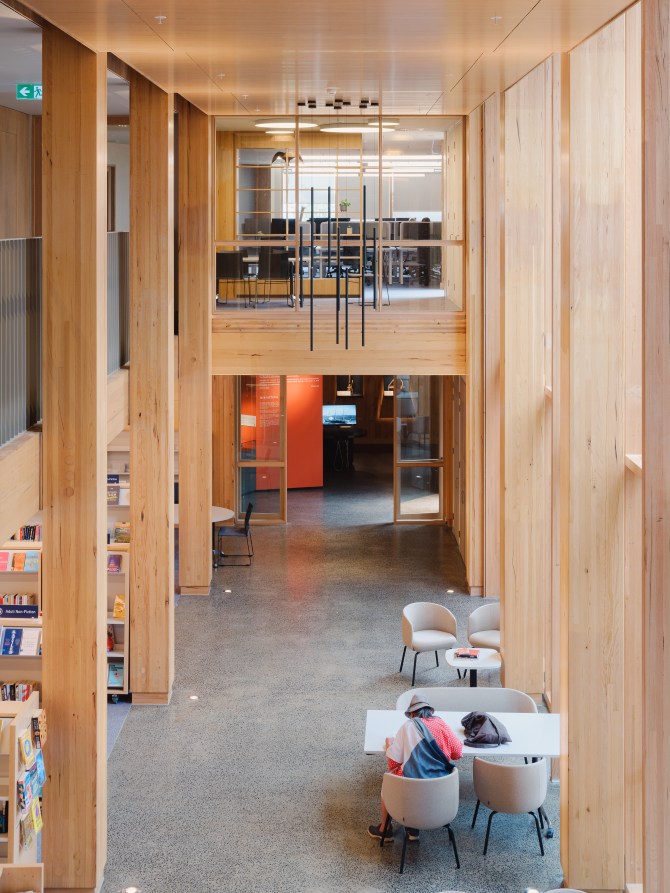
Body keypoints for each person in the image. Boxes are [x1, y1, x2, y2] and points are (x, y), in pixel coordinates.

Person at [368, 693, 463, 841]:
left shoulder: (408, 726)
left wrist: (390, 745)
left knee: (389, 780)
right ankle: (413, 830)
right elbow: (457, 752)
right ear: (430, 711)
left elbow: (393, 763)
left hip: (413, 788)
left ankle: (385, 829)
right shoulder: (441, 724)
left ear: (412, 713)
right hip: (441, 791)